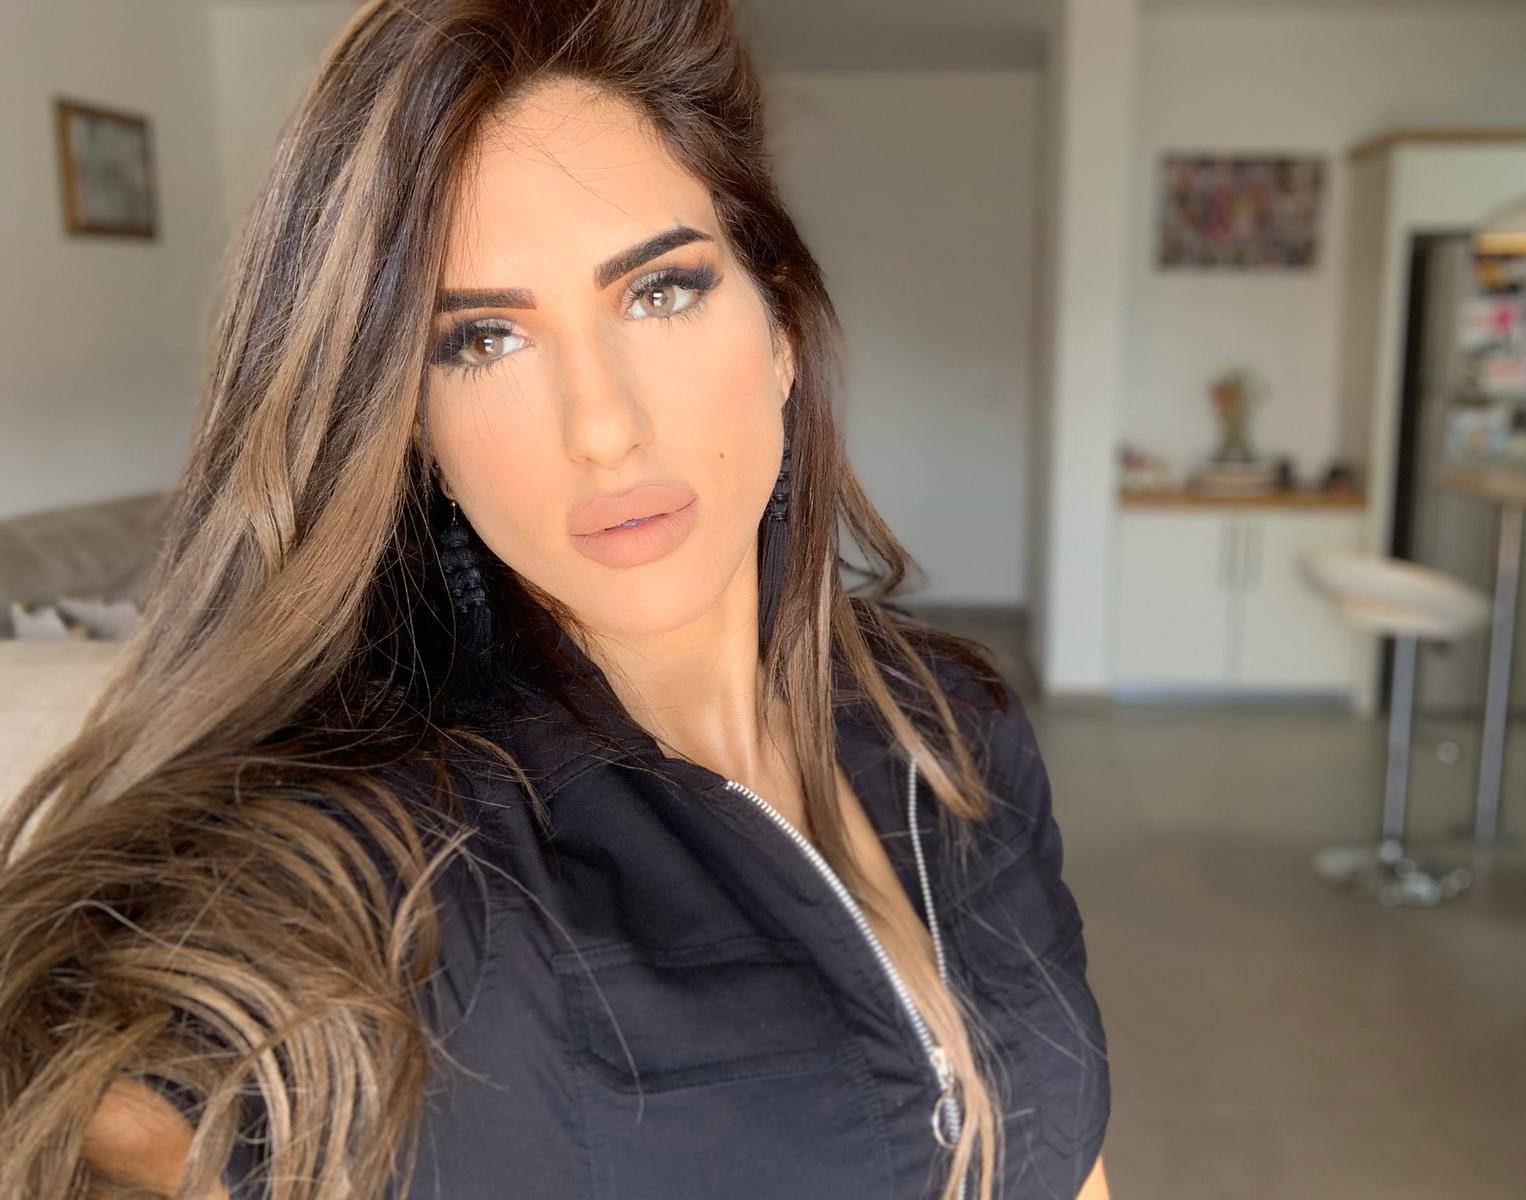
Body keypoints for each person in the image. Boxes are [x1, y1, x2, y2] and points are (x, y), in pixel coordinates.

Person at [0, 2, 1112, 1198]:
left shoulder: (955, 724)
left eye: (660, 291)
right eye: (483, 340)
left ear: (781, 328)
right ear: (412, 426)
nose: (603, 426)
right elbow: (122, 1074)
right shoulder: (406, 867)